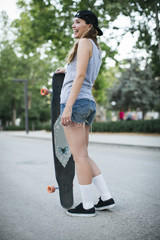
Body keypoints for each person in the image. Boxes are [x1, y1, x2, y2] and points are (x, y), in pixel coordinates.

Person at [56, 10, 115, 217]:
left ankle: (87, 206)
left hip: (77, 104)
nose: (74, 25)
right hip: (87, 103)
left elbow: (81, 74)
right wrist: (67, 70)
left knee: (78, 156)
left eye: (78, 22)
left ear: (89, 26)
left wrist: (69, 106)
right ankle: (106, 197)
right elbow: (81, 72)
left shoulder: (83, 43)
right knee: (83, 154)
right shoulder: (95, 48)